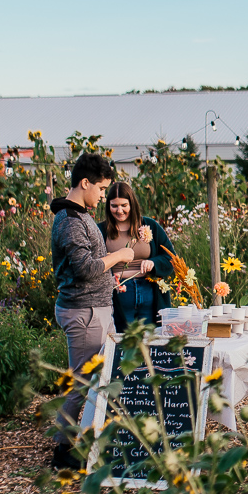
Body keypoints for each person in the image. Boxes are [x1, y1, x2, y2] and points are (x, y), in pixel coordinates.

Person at [50, 153, 138, 468]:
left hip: (95, 308)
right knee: (84, 382)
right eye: (101, 189)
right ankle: (64, 452)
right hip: (84, 313)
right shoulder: (70, 221)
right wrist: (120, 255)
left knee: (102, 377)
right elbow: (86, 268)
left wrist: (109, 277)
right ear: (85, 183)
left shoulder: (79, 215)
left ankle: (94, 442)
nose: (103, 195)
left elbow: (87, 268)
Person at [98, 181, 178, 332]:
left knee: (151, 340)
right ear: (108, 206)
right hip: (118, 293)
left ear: (132, 204)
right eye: (114, 206)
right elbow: (93, 264)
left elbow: (171, 258)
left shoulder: (150, 225)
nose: (119, 210)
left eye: (124, 205)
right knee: (124, 341)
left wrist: (154, 263)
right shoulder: (101, 231)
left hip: (149, 290)